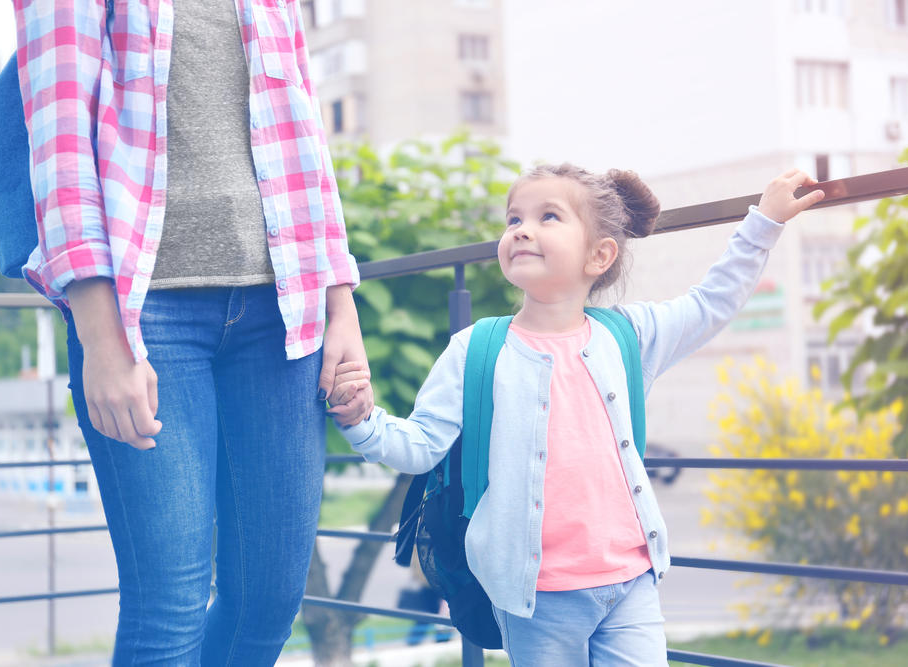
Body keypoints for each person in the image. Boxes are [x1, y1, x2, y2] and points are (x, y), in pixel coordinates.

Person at [328, 164, 824, 665]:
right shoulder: (475, 349)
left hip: (631, 582)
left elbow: (711, 303)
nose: (521, 230)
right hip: (534, 598)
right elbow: (420, 447)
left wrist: (765, 222)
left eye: (548, 216)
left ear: (599, 255)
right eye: (513, 218)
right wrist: (362, 420)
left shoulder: (629, 336)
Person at [11, 0, 372, 663]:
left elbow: (304, 135)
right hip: (146, 316)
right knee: (167, 611)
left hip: (283, 311)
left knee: (268, 601)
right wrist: (101, 339)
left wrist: (340, 304)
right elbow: (59, 143)